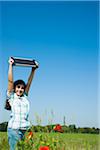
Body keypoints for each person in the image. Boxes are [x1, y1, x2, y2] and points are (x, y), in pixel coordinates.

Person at [5, 57, 38, 150]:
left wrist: (33, 70)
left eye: (22, 88)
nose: (20, 89)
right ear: (15, 88)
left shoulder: (25, 97)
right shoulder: (12, 96)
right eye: (18, 87)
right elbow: (10, 81)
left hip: (24, 130)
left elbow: (29, 82)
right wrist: (11, 65)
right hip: (14, 130)